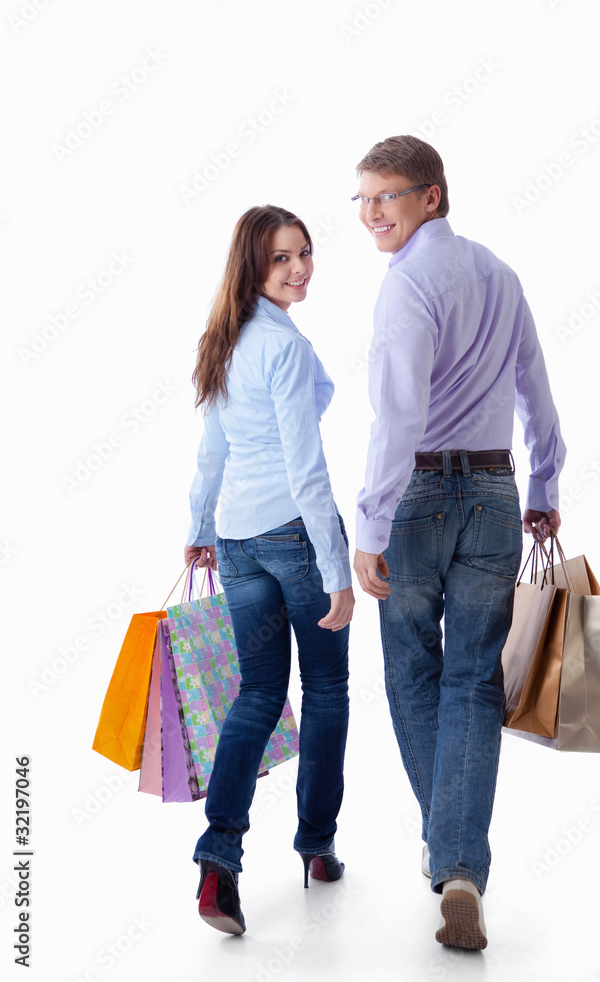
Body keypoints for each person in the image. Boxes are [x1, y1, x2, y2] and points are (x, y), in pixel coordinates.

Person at [351, 136, 565, 951]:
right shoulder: (500, 276)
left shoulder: (405, 286)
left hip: (414, 499)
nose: (371, 213)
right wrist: (543, 489)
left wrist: (369, 525)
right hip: (493, 498)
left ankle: (449, 854)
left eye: (387, 197)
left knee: (412, 669)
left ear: (430, 197)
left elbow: (397, 418)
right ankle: (462, 869)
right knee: (473, 682)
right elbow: (537, 395)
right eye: (362, 199)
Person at [184, 204, 354, 935]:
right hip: (292, 532)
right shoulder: (281, 348)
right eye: (281, 258)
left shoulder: (224, 340)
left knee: (256, 695)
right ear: (252, 265)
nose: (298, 269)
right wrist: (336, 565)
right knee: (324, 688)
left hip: (236, 539)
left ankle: (218, 862)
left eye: (305, 254)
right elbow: (306, 467)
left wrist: (199, 531)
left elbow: (211, 456)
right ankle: (316, 847)